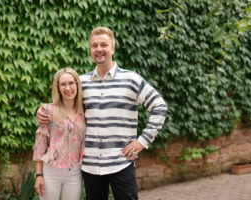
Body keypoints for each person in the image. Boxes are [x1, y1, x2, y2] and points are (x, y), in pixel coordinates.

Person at [36, 27, 167, 200]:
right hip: (90, 167)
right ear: (90, 50)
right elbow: (63, 106)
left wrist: (142, 141)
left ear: (112, 48)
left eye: (104, 44)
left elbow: (159, 106)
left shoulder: (131, 79)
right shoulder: (81, 83)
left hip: (121, 162)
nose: (99, 49)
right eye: (94, 45)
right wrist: (41, 110)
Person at [33, 67, 85, 200]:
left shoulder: (84, 111)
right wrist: (39, 175)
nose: (68, 88)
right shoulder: (48, 111)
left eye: (71, 83)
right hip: (51, 172)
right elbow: (40, 145)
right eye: (63, 84)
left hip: (74, 172)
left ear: (77, 84)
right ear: (58, 88)